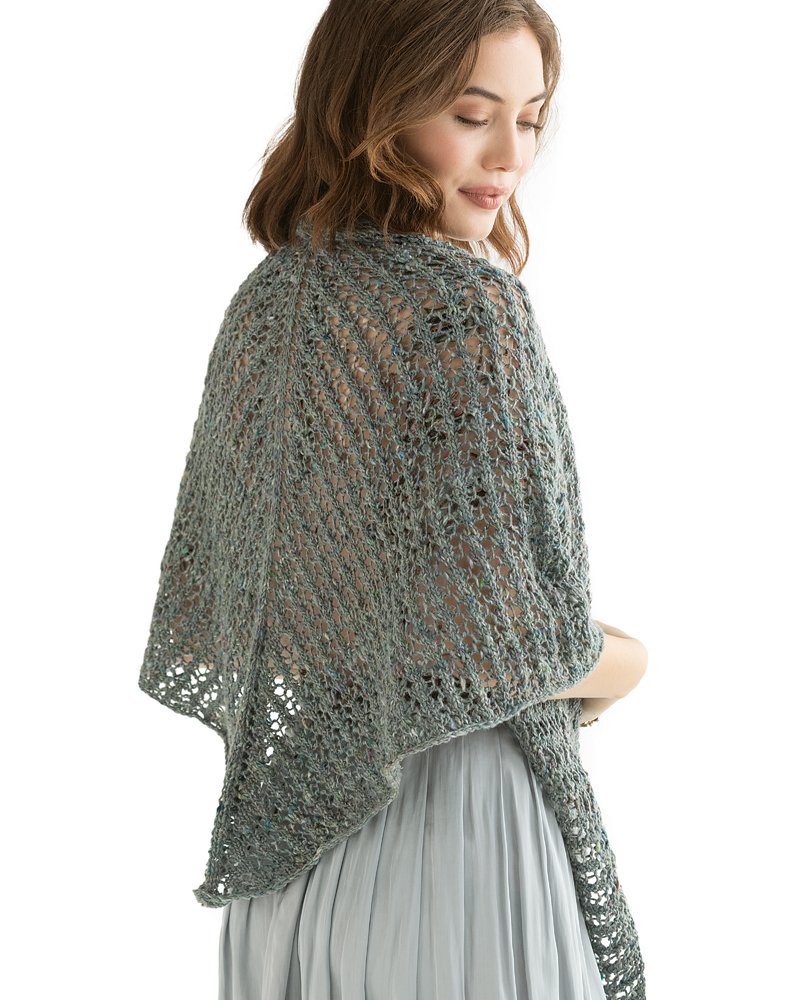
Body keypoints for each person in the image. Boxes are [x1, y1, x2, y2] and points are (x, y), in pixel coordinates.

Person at [138, 2, 648, 998]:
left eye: (530, 118)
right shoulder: (466, 306)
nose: (509, 155)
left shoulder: (269, 307)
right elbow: (498, 647)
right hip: (456, 833)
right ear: (374, 105)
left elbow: (276, 619)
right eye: (471, 115)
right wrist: (627, 663)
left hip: (297, 837)